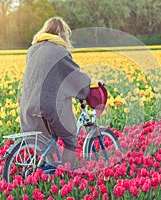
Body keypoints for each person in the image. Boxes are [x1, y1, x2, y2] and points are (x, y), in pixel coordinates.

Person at [20, 16, 101, 170]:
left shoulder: (32, 50)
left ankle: (45, 171)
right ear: (62, 34)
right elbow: (74, 76)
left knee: (45, 141)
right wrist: (91, 83)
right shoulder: (60, 52)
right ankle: (65, 175)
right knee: (70, 139)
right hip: (48, 106)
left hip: (27, 106)